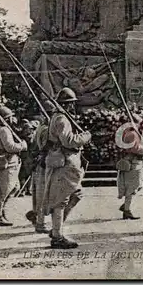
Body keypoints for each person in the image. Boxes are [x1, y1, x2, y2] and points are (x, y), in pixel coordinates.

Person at [44, 88, 92, 249]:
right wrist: (85, 137)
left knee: (77, 194)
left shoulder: (60, 117)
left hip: (69, 162)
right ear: (66, 105)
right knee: (60, 201)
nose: (72, 107)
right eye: (70, 104)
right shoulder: (62, 119)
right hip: (64, 162)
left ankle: (56, 229)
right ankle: (57, 236)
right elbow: (68, 141)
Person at [0, 106, 28, 226]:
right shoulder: (3, 130)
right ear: (6, 118)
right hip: (5, 162)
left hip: (1, 161)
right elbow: (10, 147)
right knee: (3, 190)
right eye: (10, 117)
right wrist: (22, 145)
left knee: (14, 187)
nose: (12, 119)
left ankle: (1, 211)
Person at [26, 101, 56, 233]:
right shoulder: (45, 130)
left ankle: (38, 219)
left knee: (40, 194)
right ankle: (40, 223)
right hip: (44, 163)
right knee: (43, 194)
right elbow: (45, 148)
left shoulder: (41, 127)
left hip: (39, 162)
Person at [116, 113, 143, 220]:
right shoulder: (132, 134)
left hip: (135, 162)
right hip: (133, 162)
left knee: (137, 185)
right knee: (133, 187)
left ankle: (126, 205)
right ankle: (127, 210)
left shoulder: (130, 133)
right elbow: (136, 149)